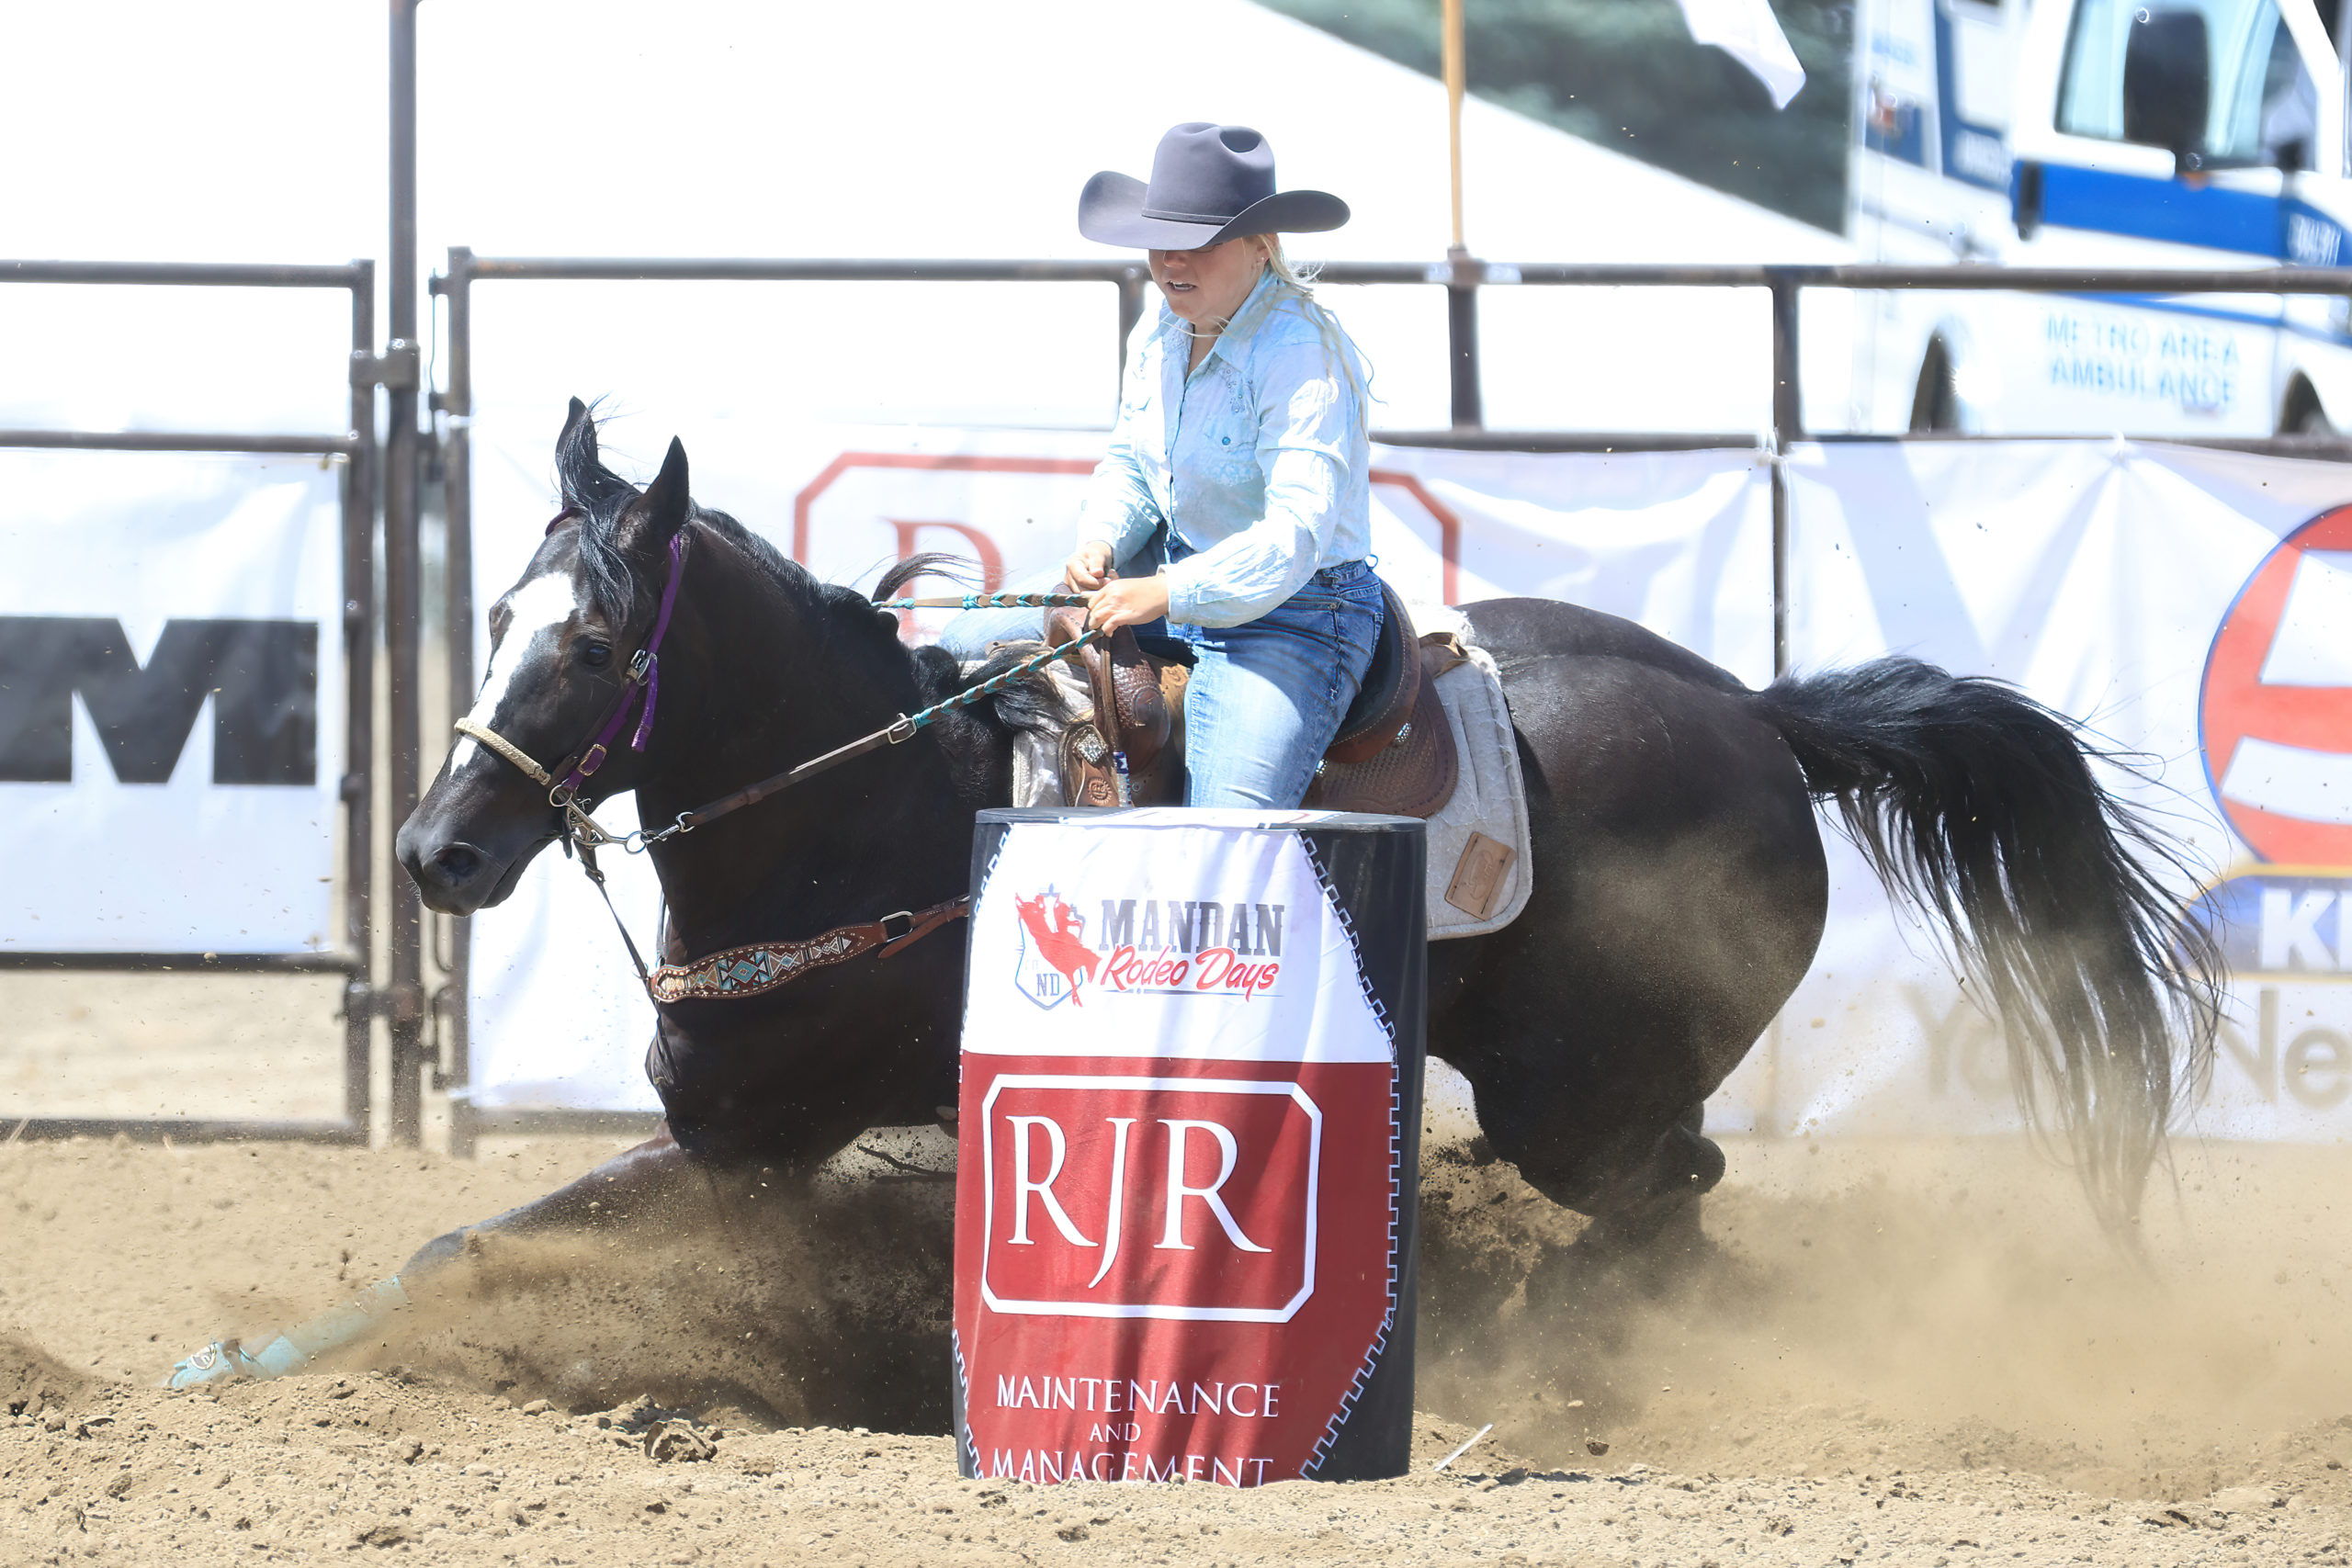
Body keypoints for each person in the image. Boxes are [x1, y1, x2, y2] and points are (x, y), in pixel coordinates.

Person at [1064, 121, 1384, 809]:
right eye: (1161, 239)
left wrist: (1163, 591)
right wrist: (1102, 538)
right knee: (966, 643)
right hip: (1172, 583)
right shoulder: (1159, 329)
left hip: (1298, 614)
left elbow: (1295, 535)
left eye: (1202, 242)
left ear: (1260, 246)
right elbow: (1132, 461)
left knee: (1227, 826)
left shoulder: (1302, 354)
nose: (1173, 260)